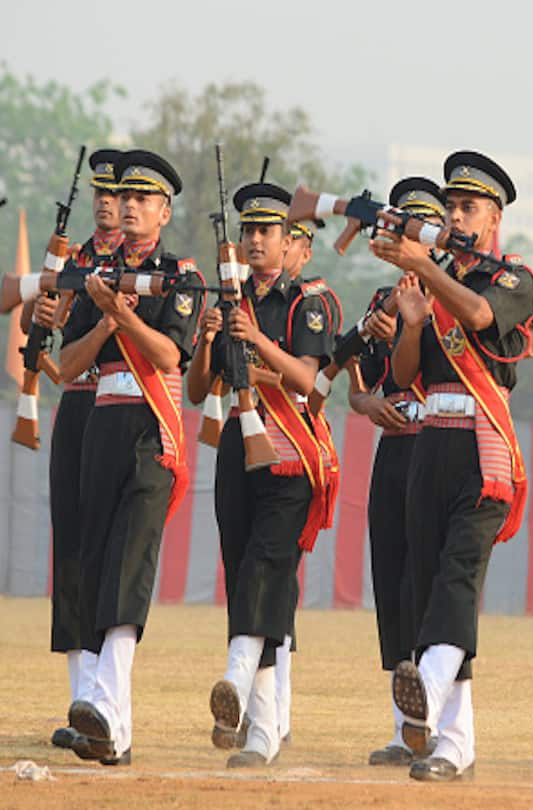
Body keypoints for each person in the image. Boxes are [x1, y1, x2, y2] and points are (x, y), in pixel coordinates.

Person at [374, 151, 533, 782]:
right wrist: (411, 323)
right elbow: (406, 375)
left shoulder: (514, 276)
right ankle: (454, 743)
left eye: (469, 207)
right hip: (430, 441)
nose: (456, 216)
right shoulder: (431, 277)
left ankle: (429, 688)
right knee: (428, 583)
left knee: (457, 577)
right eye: (450, 206)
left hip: (482, 445)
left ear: (494, 217)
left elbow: (479, 317)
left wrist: (422, 271)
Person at [61, 150, 204, 766]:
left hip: (150, 429)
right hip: (101, 425)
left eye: (142, 199)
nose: (128, 208)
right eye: (124, 199)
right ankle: (110, 728)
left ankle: (105, 707)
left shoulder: (183, 275)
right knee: (94, 561)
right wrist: (102, 316)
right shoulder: (96, 273)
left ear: (165, 211)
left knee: (128, 563)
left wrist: (122, 315)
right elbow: (67, 364)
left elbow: (172, 357)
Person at [187, 181, 334, 768]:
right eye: (247, 230)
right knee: (246, 575)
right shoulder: (229, 300)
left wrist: (254, 342)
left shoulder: (306, 303)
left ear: (287, 241)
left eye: (265, 232)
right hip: (236, 451)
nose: (253, 241)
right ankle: (264, 729)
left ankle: (238, 680)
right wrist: (209, 343)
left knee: (267, 569)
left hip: (291, 452)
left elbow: (307, 380)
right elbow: (200, 389)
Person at [354, 177, 446, 766]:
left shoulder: (452, 297)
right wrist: (368, 405)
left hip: (436, 449)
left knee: (430, 584)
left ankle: (438, 722)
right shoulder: (379, 305)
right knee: (392, 583)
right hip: (393, 449)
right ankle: (402, 728)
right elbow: (355, 388)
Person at [43, 148, 126, 752]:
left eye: (116, 192)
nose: (105, 201)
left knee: (108, 550)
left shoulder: (142, 268)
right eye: (100, 190)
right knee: (71, 549)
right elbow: (36, 328)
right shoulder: (76, 260)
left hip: (120, 406)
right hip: (77, 402)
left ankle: (105, 698)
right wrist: (45, 303)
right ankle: (80, 700)